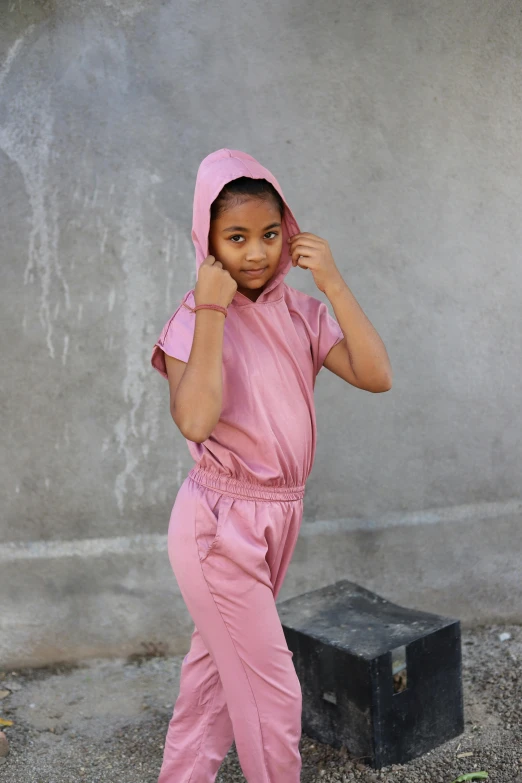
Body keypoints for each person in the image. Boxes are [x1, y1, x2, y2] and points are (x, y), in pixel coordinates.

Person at [151, 148, 392, 783]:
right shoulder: (193, 321)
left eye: (268, 234)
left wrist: (333, 283)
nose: (256, 253)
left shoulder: (302, 314)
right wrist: (209, 308)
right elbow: (196, 421)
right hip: (218, 525)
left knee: (212, 686)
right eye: (236, 238)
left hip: (278, 517)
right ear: (207, 240)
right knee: (273, 694)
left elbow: (377, 375)